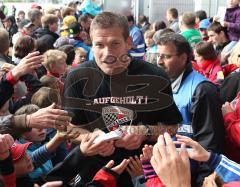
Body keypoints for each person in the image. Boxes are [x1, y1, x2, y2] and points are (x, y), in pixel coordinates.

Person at [53, 12, 182, 187]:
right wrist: (91, 138)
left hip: (143, 171)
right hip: (95, 173)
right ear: (91, 43)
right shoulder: (77, 77)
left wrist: (144, 132)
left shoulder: (154, 76)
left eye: (115, 43)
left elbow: (173, 127)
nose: (107, 53)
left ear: (128, 43)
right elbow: (70, 128)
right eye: (99, 45)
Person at [154, 33, 224, 186]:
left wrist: (201, 183)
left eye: (166, 56)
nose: (159, 62)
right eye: (158, 55)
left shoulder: (203, 90)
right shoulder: (161, 84)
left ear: (184, 58)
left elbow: (210, 146)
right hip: (164, 173)